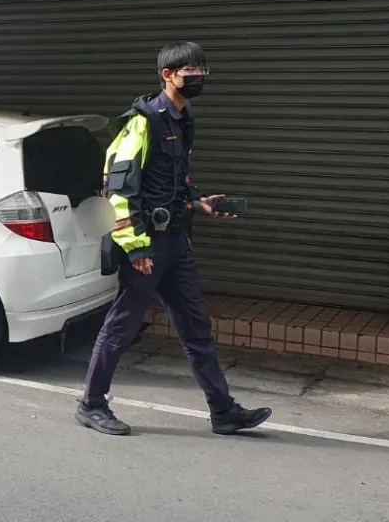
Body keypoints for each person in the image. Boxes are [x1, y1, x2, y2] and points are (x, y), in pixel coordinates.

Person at [76, 42, 272, 437]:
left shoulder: (183, 121)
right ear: (167, 75)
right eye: (190, 71)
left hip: (175, 243)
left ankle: (223, 411)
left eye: (203, 70)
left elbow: (172, 182)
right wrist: (136, 247)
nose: (198, 77)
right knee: (121, 327)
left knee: (196, 328)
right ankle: (91, 404)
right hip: (146, 245)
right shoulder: (142, 122)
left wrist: (198, 202)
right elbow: (118, 190)